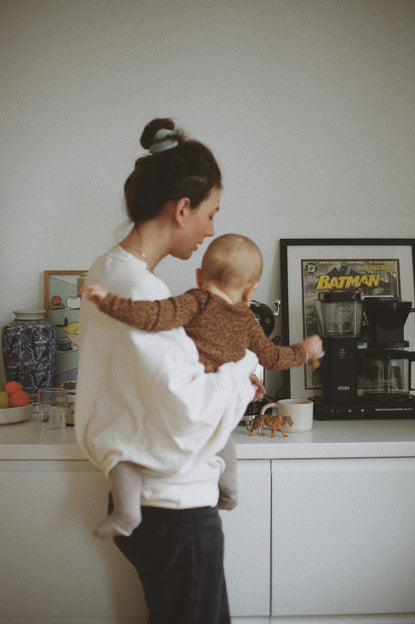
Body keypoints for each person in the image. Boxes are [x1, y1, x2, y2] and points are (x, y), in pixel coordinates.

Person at [75, 118, 265, 624]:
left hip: (150, 501)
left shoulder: (107, 271)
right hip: (175, 509)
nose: (211, 230)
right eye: (210, 214)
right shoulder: (142, 292)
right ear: (183, 209)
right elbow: (189, 413)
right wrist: (245, 365)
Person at [82, 233, 322, 539]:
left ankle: (126, 511)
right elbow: (275, 357)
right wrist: (306, 350)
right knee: (223, 441)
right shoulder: (249, 321)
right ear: (250, 292)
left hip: (189, 398)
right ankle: (230, 492)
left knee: (124, 448)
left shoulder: (194, 301)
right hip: (215, 409)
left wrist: (109, 302)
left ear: (199, 276)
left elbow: (153, 316)